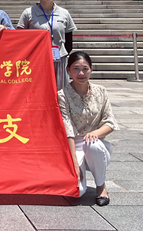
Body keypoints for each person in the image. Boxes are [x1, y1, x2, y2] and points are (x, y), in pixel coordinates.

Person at [58, 51, 118, 206]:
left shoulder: (101, 91)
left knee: (92, 144)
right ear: (68, 70)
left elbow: (110, 122)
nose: (81, 73)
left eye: (85, 68)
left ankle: (101, 186)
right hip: (72, 145)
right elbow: (67, 130)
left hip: (96, 144)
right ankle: (79, 175)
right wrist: (74, 164)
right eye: (76, 69)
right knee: (76, 191)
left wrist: (95, 133)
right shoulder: (62, 95)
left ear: (91, 69)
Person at [17, 0, 77, 91]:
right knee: (38, 93)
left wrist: (59, 54)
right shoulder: (28, 13)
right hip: (36, 62)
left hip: (59, 61)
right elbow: (20, 39)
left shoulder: (64, 13)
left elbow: (69, 42)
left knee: (60, 94)